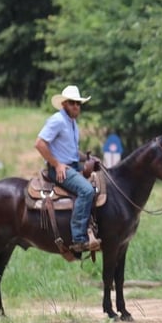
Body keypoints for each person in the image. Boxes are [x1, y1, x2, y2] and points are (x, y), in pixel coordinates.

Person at [35, 85, 101, 253]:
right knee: (86, 190)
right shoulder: (57, 120)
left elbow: (71, 152)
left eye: (78, 103)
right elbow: (40, 143)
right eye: (72, 103)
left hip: (71, 165)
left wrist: (88, 158)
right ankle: (78, 239)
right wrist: (56, 165)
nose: (76, 106)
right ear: (64, 104)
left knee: (101, 175)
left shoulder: (72, 123)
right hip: (59, 169)